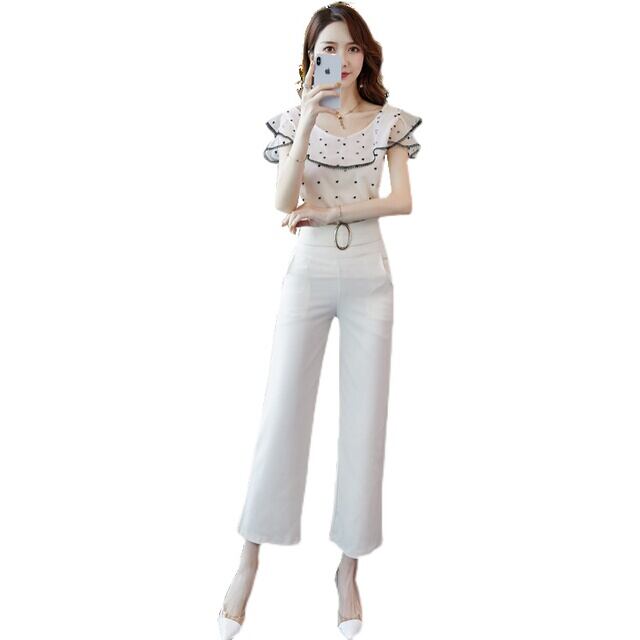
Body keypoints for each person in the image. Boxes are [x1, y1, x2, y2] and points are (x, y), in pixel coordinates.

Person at [218, 3, 421, 639]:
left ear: (366, 55)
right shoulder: (292, 119)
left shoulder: (389, 121)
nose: (344, 58)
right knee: (282, 409)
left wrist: (332, 213)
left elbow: (403, 201)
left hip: (368, 275)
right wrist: (308, 116)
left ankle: (348, 568)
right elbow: (282, 200)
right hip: (306, 273)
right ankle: (249, 557)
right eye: (330, 48)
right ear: (312, 57)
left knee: (365, 421)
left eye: (354, 47)